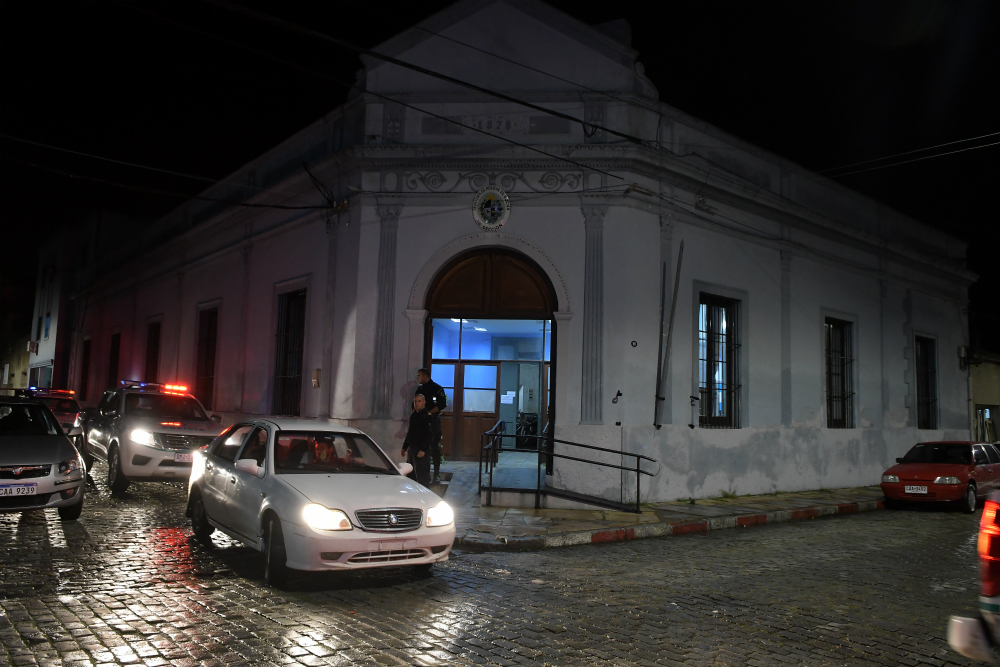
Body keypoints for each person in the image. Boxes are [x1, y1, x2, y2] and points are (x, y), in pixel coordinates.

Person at [414, 368, 448, 482]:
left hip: (433, 422)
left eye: (419, 376)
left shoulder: (437, 388)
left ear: (425, 376)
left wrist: (428, 413)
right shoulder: (420, 389)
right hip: (421, 423)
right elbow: (414, 405)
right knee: (422, 448)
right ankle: (424, 473)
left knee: (434, 448)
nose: (417, 378)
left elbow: (442, 404)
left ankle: (436, 474)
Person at [401, 394, 433, 486]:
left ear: (424, 402)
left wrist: (423, 450)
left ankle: (425, 498)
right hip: (412, 449)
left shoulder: (427, 416)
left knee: (422, 477)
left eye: (419, 401)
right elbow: (410, 433)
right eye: (415, 401)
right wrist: (404, 447)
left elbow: (429, 435)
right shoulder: (414, 415)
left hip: (421, 450)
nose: (417, 403)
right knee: (411, 476)